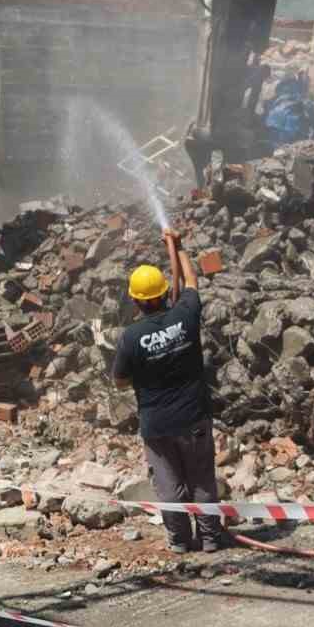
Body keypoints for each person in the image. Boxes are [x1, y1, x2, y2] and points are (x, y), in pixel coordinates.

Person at [111, 230, 228, 554]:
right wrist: (178, 248)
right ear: (165, 293)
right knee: (202, 479)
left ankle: (179, 540)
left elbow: (120, 382)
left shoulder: (131, 337)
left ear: (135, 300)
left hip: (157, 425)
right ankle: (210, 539)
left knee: (169, 486)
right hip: (194, 416)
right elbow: (191, 280)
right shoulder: (185, 315)